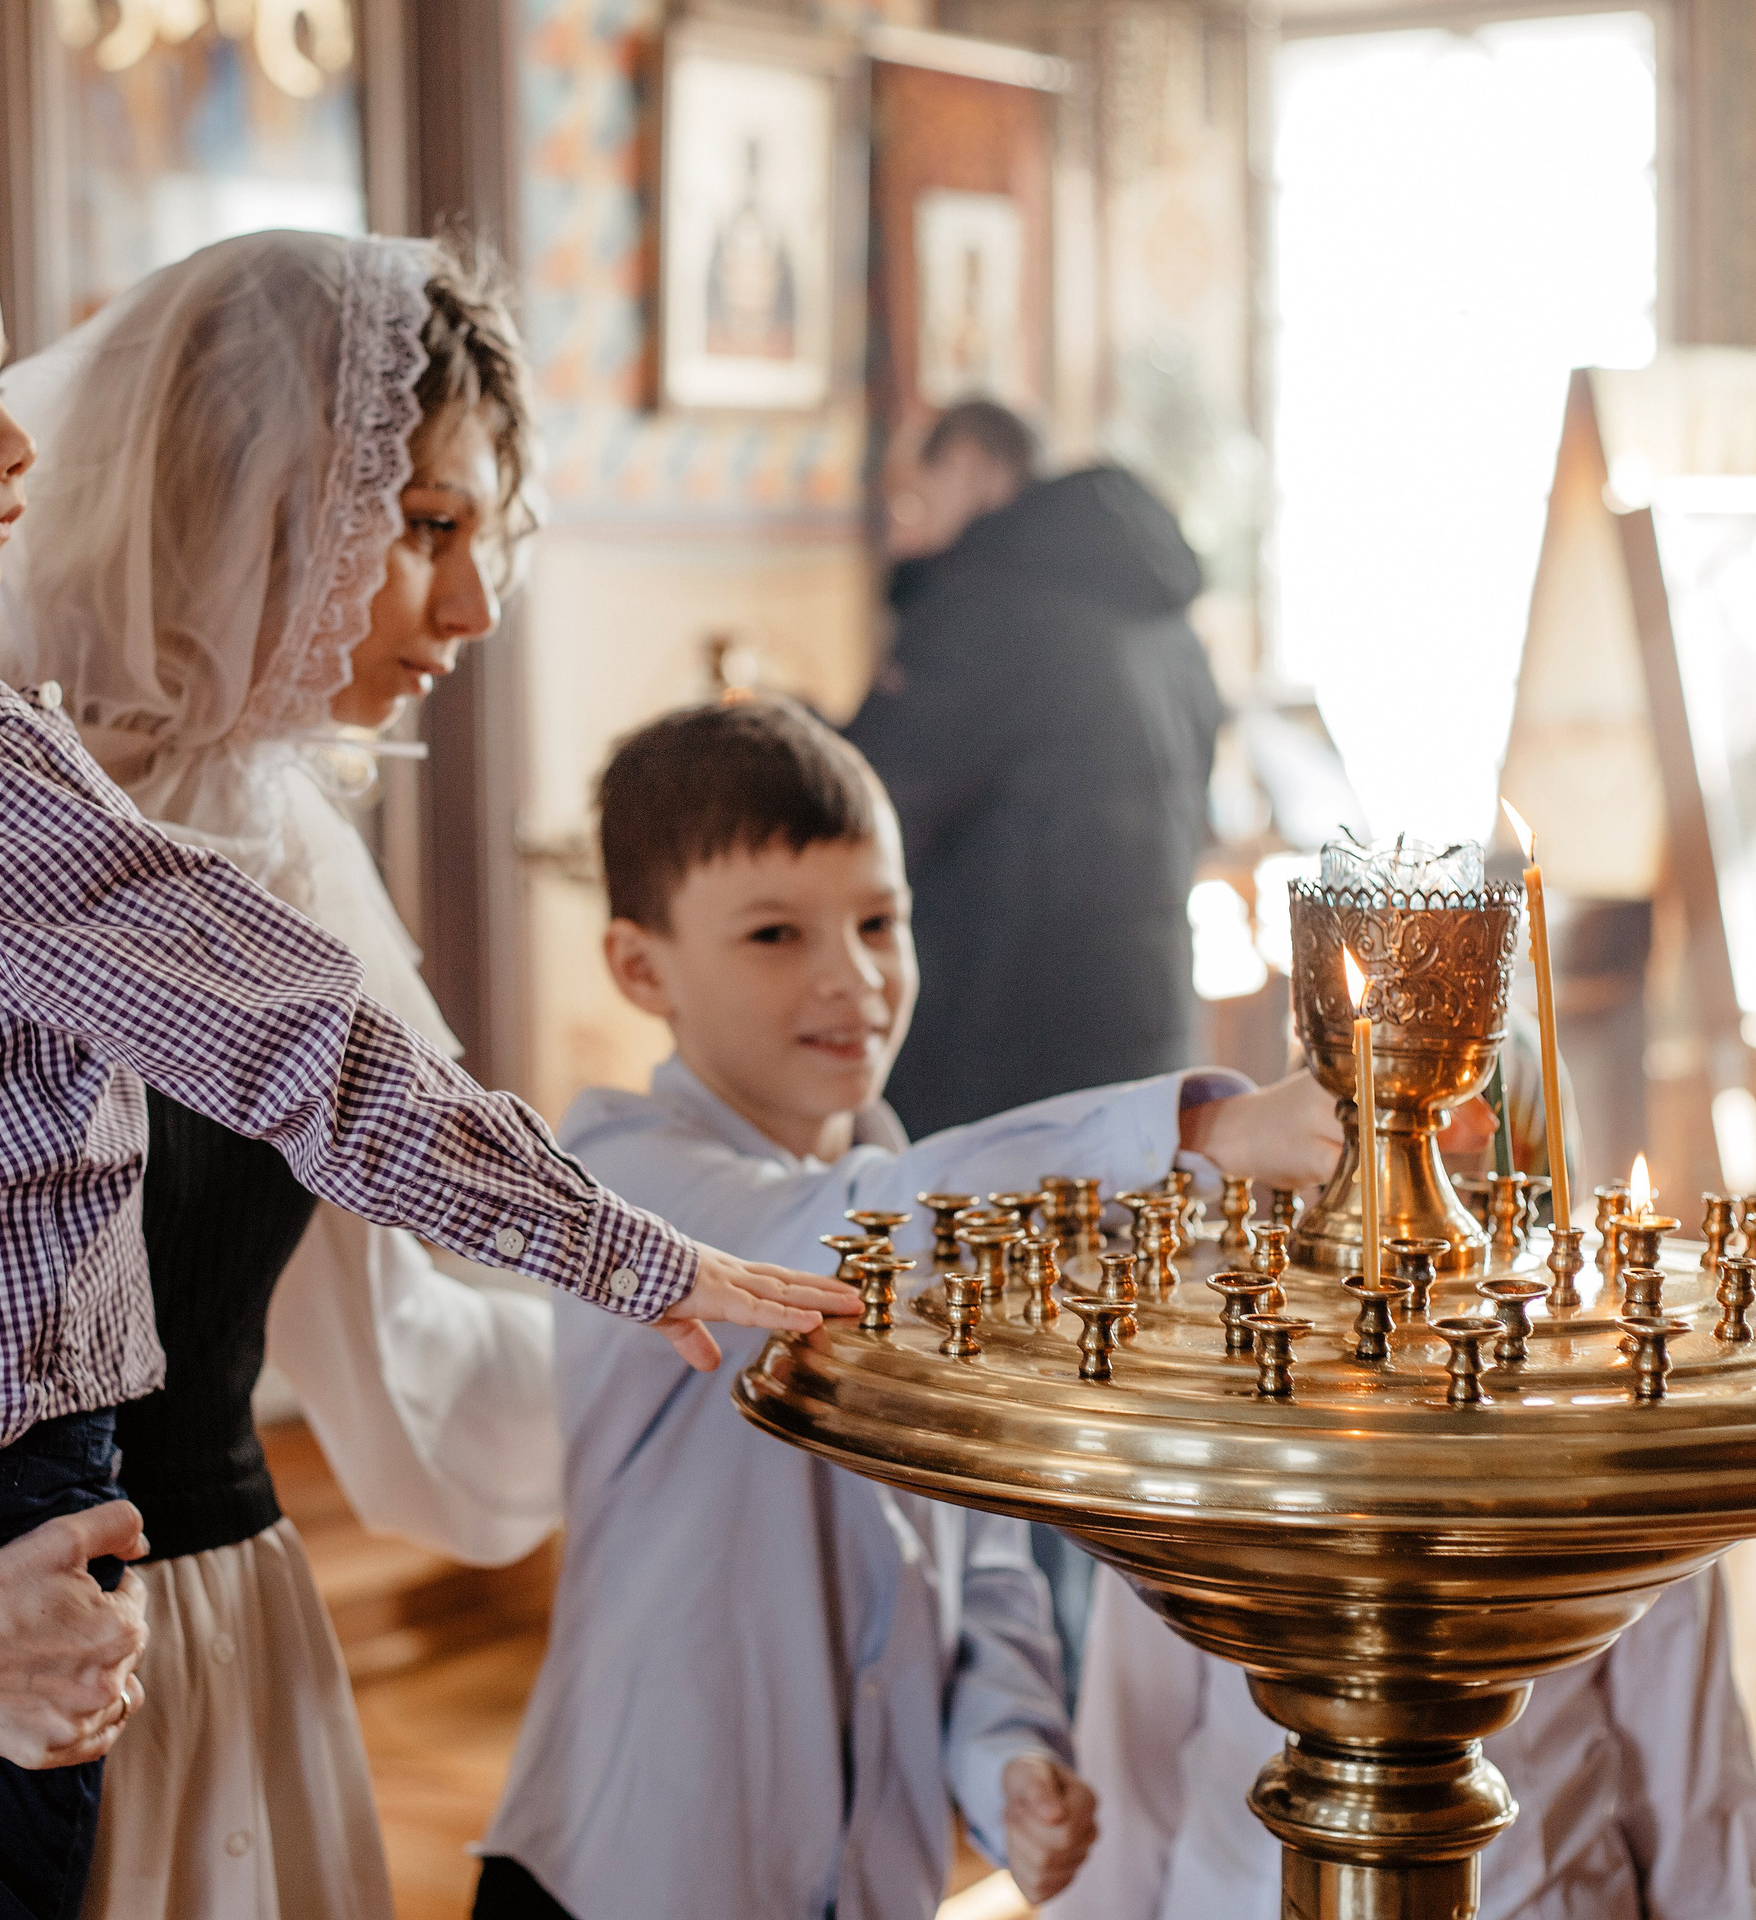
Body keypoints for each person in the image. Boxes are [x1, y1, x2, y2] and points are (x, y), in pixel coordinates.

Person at [0, 137, 851, 1920]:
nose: (474, 597)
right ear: (252, 491)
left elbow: (398, 1336)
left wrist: (687, 1306)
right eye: (420, 524)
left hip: (203, 1628)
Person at [473, 697, 1345, 1919]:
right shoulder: (625, 1179)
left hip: (866, 1883)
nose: (852, 977)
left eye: (880, 921)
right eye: (776, 934)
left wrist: (1006, 1761)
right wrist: (1199, 1129)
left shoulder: (923, 1204)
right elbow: (869, 1223)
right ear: (639, 966)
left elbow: (980, 1556)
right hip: (632, 1873)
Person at [847, 399, 1223, 1141]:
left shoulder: (991, 605)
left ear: (969, 469)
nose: (903, 525)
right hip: (1146, 1011)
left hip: (1006, 1038)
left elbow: (872, 807)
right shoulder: (1161, 613)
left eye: (917, 498)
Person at [1048, 1564, 1756, 1918]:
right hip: (1233, 1898)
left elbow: (1692, 1801)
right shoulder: (1200, 1412)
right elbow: (1129, 1767)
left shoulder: (1598, 1394)